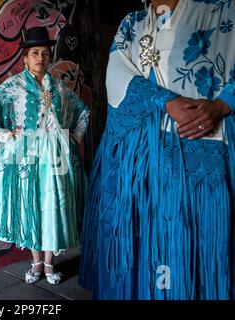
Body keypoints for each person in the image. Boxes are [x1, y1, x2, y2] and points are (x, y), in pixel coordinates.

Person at [79, 0, 235, 299]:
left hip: (199, 160)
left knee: (192, 248)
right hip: (140, 162)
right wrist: (163, 100)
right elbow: (118, 74)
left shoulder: (223, 10)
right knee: (143, 245)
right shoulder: (133, 22)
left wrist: (223, 103)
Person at [0, 26, 90, 285]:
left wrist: (73, 138)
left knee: (51, 208)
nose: (41, 58)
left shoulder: (59, 87)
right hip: (25, 158)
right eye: (35, 53)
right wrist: (4, 135)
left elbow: (82, 111)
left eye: (45, 53)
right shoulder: (14, 86)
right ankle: (36, 262)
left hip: (54, 159)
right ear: (25, 59)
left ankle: (50, 265)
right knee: (32, 208)